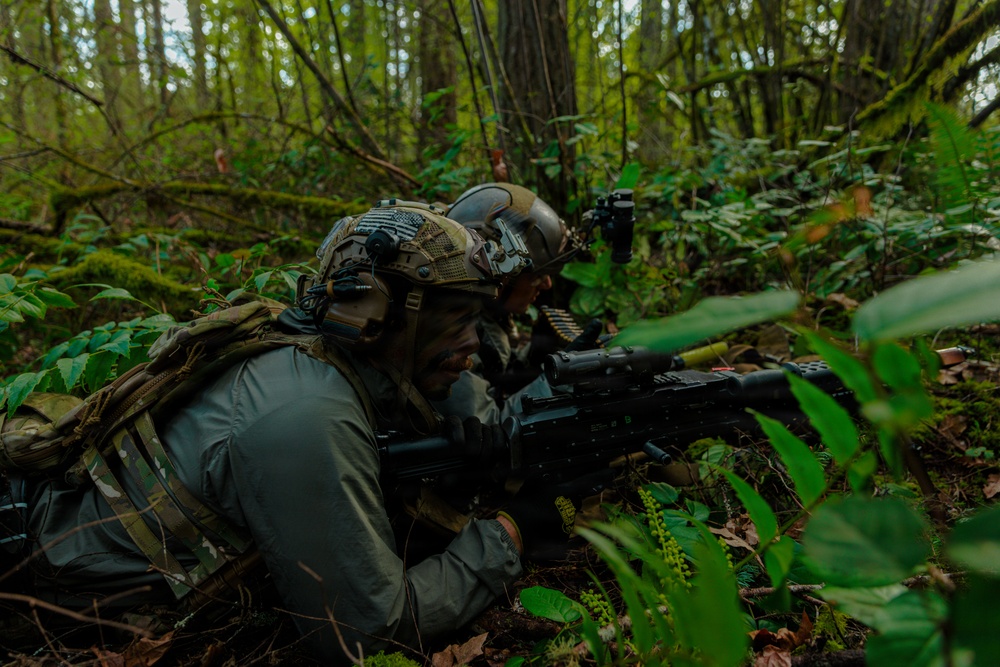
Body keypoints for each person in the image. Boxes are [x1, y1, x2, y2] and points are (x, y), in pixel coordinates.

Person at [0, 201, 594, 664]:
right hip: (33, 591)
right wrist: (511, 535)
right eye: (454, 318)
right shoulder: (309, 411)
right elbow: (365, 634)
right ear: (377, 314)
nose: (472, 342)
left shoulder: (336, 363)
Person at [432, 182, 598, 424]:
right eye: (538, 276)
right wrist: (558, 381)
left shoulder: (483, 312)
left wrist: (534, 358)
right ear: (498, 274)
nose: (547, 285)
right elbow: (489, 429)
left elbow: (494, 370)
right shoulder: (444, 331)